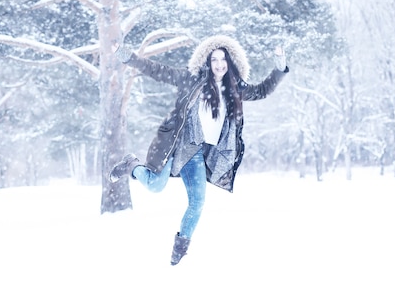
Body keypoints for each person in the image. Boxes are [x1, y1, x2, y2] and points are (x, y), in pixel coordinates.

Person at [109, 35, 288, 265]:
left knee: (197, 202)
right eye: (215, 59)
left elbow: (263, 90)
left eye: (223, 59)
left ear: (230, 62)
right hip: (177, 144)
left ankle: (181, 246)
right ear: (207, 61)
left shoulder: (235, 89)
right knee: (155, 185)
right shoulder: (191, 78)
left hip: (197, 156)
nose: (219, 64)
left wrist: (280, 64)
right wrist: (126, 55)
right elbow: (156, 70)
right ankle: (132, 165)